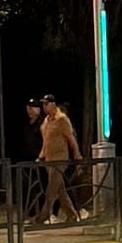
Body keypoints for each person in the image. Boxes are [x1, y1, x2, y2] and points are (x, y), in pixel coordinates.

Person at [37, 95, 86, 225]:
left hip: (60, 160)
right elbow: (46, 141)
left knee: (52, 189)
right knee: (60, 190)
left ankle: (42, 216)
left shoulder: (62, 119)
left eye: (46, 104)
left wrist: (77, 156)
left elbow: (71, 139)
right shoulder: (46, 121)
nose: (44, 107)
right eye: (43, 104)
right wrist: (41, 156)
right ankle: (72, 214)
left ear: (53, 104)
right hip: (49, 160)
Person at [22, 98, 46, 222]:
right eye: (28, 108)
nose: (30, 111)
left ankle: (42, 214)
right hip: (28, 161)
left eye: (32, 108)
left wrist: (41, 156)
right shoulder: (27, 124)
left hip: (41, 160)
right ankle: (29, 214)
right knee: (27, 188)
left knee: (43, 186)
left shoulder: (43, 123)